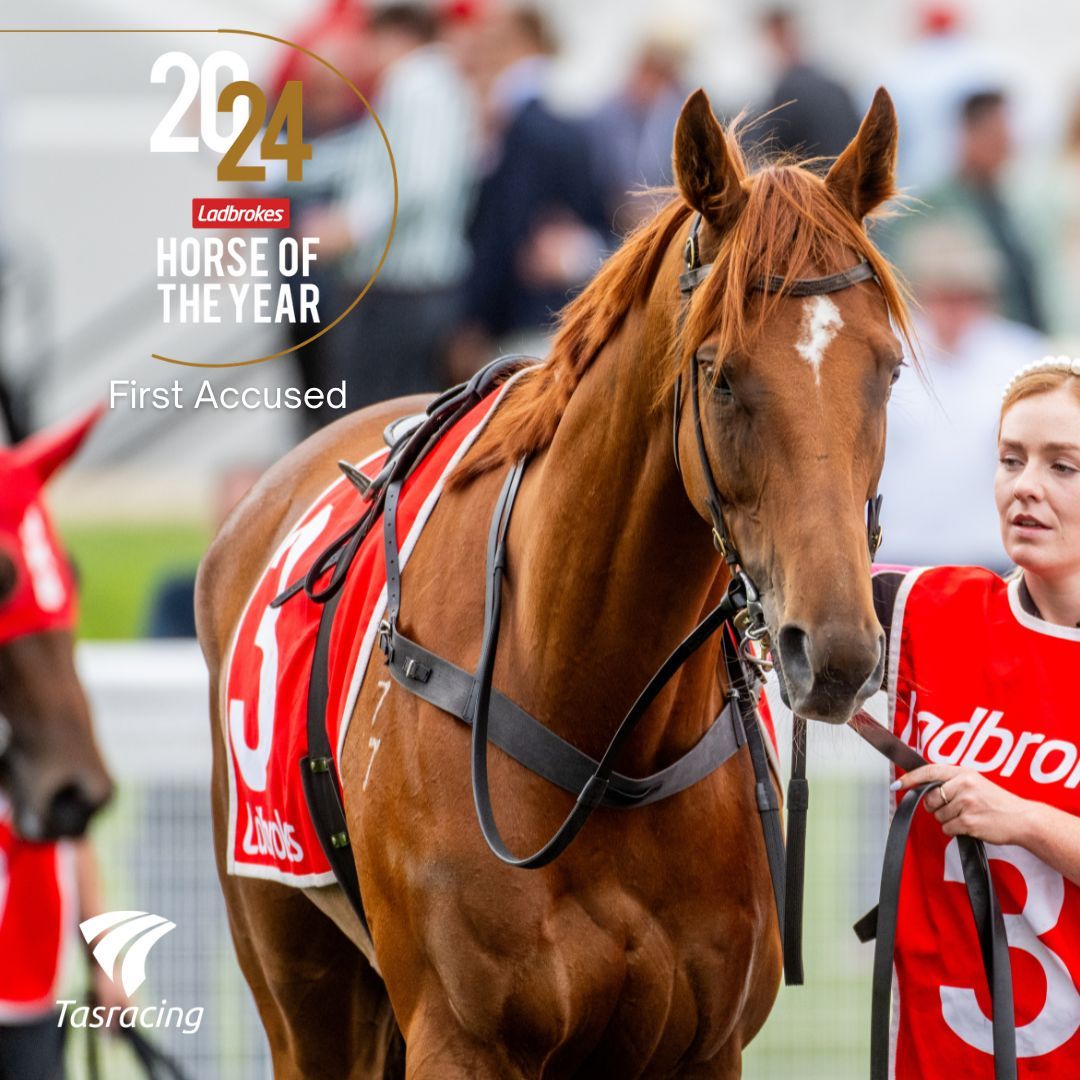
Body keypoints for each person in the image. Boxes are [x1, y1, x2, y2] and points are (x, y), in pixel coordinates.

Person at [874, 356, 1080, 1077]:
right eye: (1011, 459)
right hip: (936, 1057)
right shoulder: (931, 608)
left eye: (1064, 467)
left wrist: (1019, 817)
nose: (1025, 486)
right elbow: (780, 594)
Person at [878, 218, 1046, 570]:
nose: (954, 308)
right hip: (900, 555)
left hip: (994, 556)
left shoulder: (1023, 355)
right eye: (942, 294)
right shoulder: (884, 352)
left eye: (966, 294)